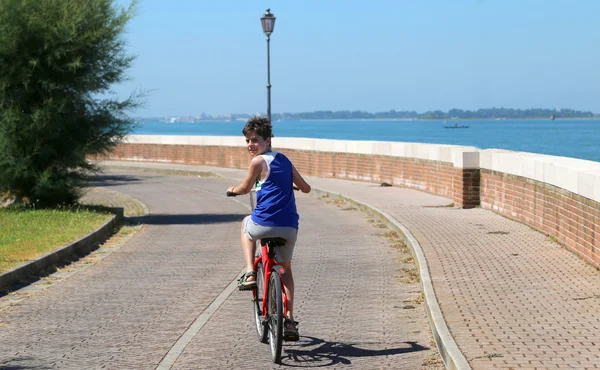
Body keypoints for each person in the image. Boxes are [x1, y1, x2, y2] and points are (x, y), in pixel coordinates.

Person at [227, 116, 311, 341]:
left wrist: (233, 189)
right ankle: (290, 320)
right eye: (247, 141)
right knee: (287, 270)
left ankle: (250, 272)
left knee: (246, 223)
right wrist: (290, 186)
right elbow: (307, 188)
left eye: (254, 140)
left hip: (263, 225)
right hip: (289, 227)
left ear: (267, 140)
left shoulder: (257, 162)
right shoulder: (285, 160)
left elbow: (246, 188)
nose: (250, 145)